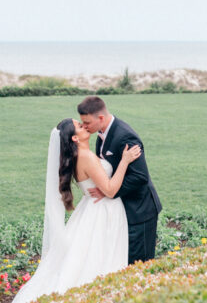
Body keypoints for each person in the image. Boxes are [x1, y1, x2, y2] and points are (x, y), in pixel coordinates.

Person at [11, 118, 142, 303]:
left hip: (92, 209)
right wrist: (125, 161)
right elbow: (111, 190)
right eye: (80, 126)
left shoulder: (82, 155)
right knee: (101, 259)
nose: (85, 126)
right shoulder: (86, 157)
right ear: (74, 138)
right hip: (103, 213)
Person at [78, 96, 162, 264]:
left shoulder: (125, 137)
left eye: (87, 123)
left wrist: (108, 191)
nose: (84, 127)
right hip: (122, 210)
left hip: (139, 211)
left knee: (139, 265)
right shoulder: (100, 133)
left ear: (100, 118)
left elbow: (140, 177)